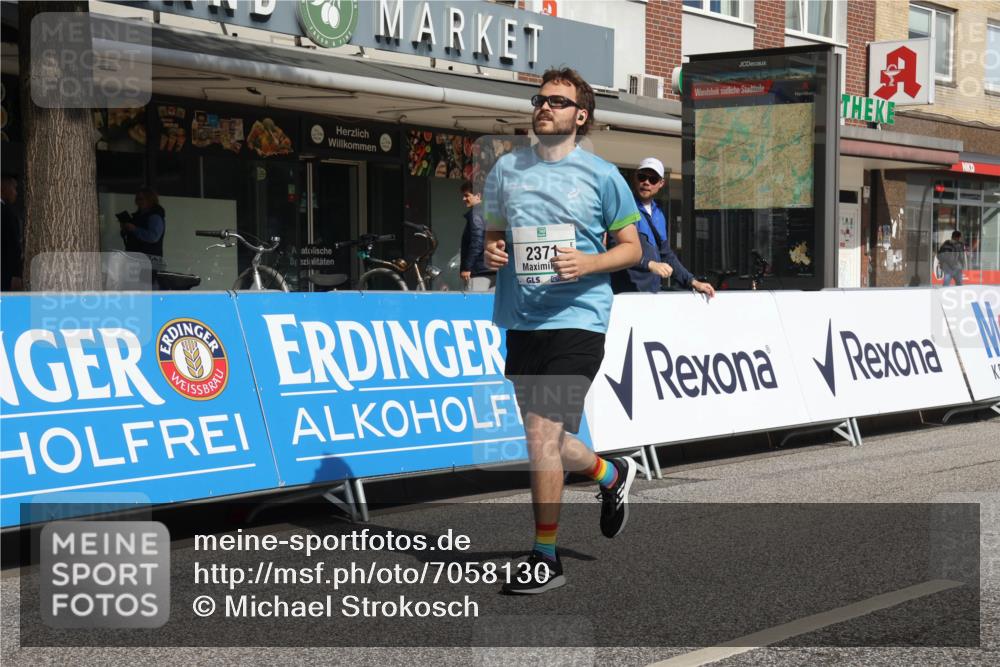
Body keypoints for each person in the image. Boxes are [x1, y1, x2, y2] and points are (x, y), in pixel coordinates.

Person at [483, 67, 644, 595]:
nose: (545, 107)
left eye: (558, 100)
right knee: (551, 440)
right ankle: (610, 474)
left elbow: (632, 249)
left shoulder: (602, 175)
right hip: (523, 321)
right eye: (540, 99)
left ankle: (544, 556)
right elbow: (492, 241)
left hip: (578, 319)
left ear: (581, 115)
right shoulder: (504, 170)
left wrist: (588, 263)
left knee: (540, 437)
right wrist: (494, 252)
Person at [609, 157, 715, 298]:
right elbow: (615, 250)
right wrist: (649, 264)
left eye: (652, 179)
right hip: (625, 294)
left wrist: (692, 281)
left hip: (651, 293)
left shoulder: (658, 214)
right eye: (642, 177)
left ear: (661, 183)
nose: (646, 182)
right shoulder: (623, 208)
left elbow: (665, 254)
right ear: (635, 178)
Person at [458, 180, 495, 291]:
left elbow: (477, 241)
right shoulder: (492, 213)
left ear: (478, 196)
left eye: (467, 195)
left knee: (474, 305)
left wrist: (467, 267)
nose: (463, 199)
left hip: (479, 271)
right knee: (491, 306)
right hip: (495, 270)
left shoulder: (476, 213)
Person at [120, 187, 166, 270]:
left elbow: (153, 237)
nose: (138, 202)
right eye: (137, 199)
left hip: (148, 260)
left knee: (144, 282)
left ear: (150, 200)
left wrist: (134, 229)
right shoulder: (139, 215)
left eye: (141, 199)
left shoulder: (154, 216)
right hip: (137, 258)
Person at [1, 174, 23, 291]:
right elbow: (13, 246)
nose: (16, 193)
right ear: (3, 187)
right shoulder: (6, 214)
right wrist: (16, 274)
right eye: (13, 188)